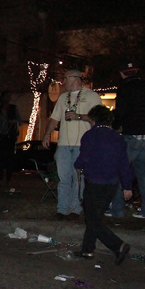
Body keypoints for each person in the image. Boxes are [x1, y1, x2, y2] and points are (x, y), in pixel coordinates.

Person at [74, 105, 132, 264]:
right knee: (95, 217)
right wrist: (127, 186)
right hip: (111, 184)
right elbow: (124, 164)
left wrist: (77, 165)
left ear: (93, 120)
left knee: (92, 220)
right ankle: (87, 250)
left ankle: (118, 245)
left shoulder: (90, 136)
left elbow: (84, 158)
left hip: (95, 183)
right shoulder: (118, 138)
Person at [41, 70, 102, 221]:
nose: (63, 81)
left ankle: (75, 209)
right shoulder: (63, 98)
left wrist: (78, 116)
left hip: (83, 144)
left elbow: (98, 118)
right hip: (63, 144)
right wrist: (47, 134)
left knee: (78, 179)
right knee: (64, 178)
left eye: (66, 78)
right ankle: (61, 209)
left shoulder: (91, 96)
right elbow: (55, 119)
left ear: (75, 79)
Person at [110, 60, 145, 219]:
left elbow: (121, 111)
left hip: (132, 135)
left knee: (120, 171)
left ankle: (117, 210)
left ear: (122, 73)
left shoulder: (125, 88)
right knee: (144, 175)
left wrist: (114, 125)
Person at [0, 91, 22, 186]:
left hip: (10, 136)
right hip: (0, 136)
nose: (7, 99)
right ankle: (0, 178)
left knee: (9, 158)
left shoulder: (13, 108)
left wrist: (14, 122)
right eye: (6, 97)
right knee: (0, 157)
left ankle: (8, 178)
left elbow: (19, 121)